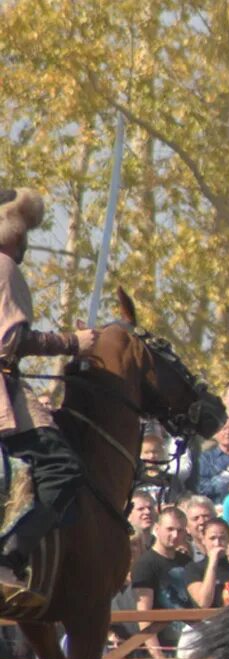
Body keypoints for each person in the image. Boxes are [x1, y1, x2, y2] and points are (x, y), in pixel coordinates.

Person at [0, 187, 98, 609]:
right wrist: (72, 342)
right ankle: (10, 557)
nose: (26, 243)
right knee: (63, 468)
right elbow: (11, 340)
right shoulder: (3, 267)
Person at [130, 508, 193, 659]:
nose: (175, 535)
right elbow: (143, 613)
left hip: (190, 643)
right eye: (170, 529)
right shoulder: (145, 564)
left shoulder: (187, 562)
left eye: (180, 530)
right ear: (157, 529)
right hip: (164, 645)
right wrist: (157, 654)